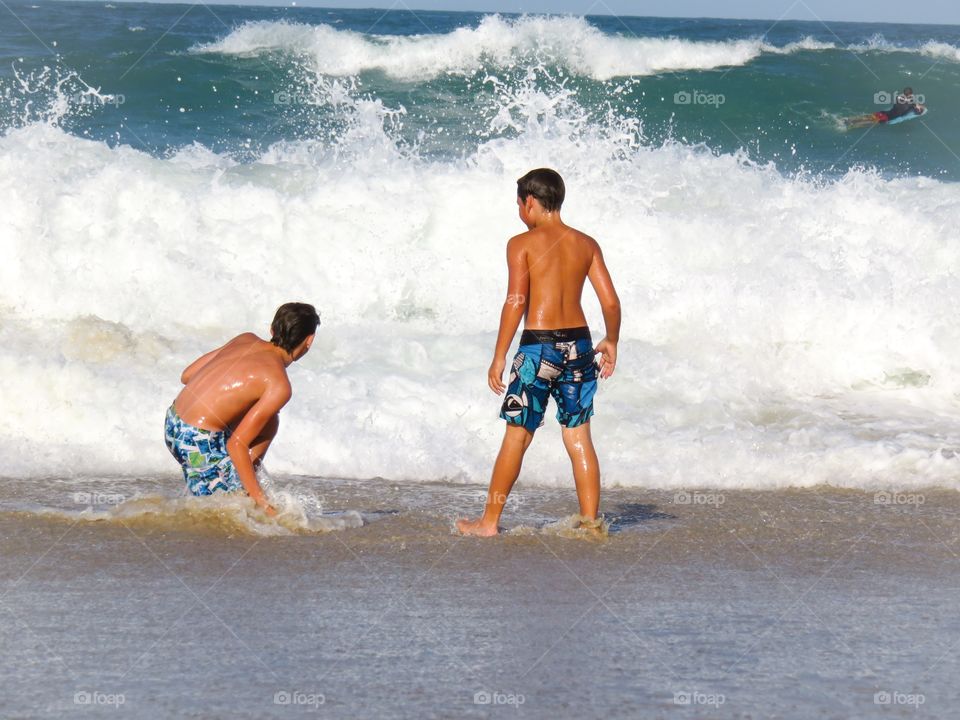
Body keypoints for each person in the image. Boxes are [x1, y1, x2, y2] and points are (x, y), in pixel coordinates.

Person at [457, 169, 621, 537]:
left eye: (518, 203)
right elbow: (610, 301)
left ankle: (488, 523)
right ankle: (591, 523)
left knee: (517, 434)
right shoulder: (586, 243)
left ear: (529, 202)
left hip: (538, 347)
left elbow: (516, 301)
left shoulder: (522, 243)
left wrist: (499, 354)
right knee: (578, 435)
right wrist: (611, 339)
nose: (518, 210)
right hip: (579, 344)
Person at [164, 302, 319, 516]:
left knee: (271, 420)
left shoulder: (245, 339)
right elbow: (237, 444)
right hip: (197, 442)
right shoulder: (278, 384)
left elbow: (187, 376)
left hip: (173, 422)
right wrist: (262, 502)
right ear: (309, 341)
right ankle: (243, 489)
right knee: (235, 513)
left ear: (272, 330)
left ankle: (234, 480)